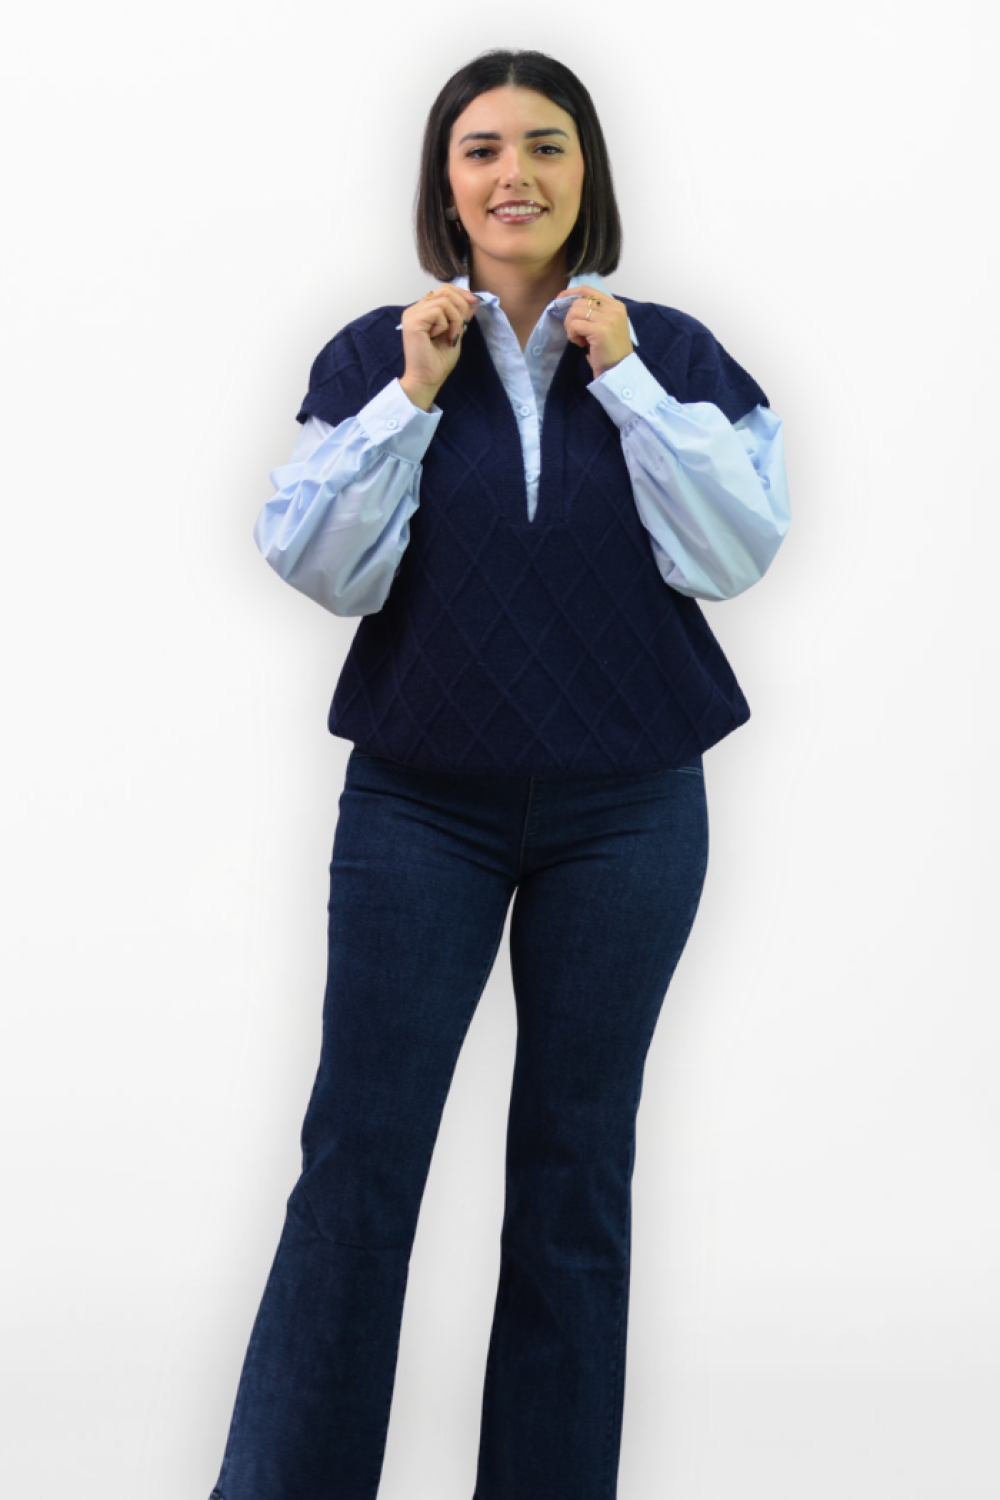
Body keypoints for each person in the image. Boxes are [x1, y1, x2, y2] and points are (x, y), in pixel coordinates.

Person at [208, 47, 790, 1500]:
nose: (513, 173)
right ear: (445, 182)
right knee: (360, 1159)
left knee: (575, 1177)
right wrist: (411, 396)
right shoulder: (377, 350)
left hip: (630, 811)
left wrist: (630, 380)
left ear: (587, 172)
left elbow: (732, 553)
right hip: (420, 807)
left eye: (545, 145)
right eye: (481, 149)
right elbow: (320, 568)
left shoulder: (676, 353)